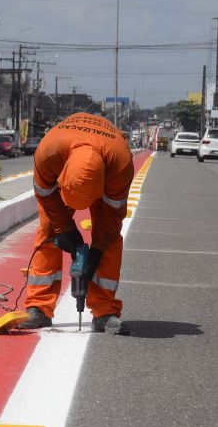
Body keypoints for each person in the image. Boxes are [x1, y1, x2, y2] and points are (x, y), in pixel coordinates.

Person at [19, 112, 134, 334]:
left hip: (105, 170)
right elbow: (44, 193)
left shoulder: (120, 164)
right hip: (66, 166)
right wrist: (64, 228)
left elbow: (112, 217)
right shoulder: (48, 152)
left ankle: (104, 312)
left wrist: (97, 251)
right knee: (48, 230)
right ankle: (39, 308)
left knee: (109, 239)